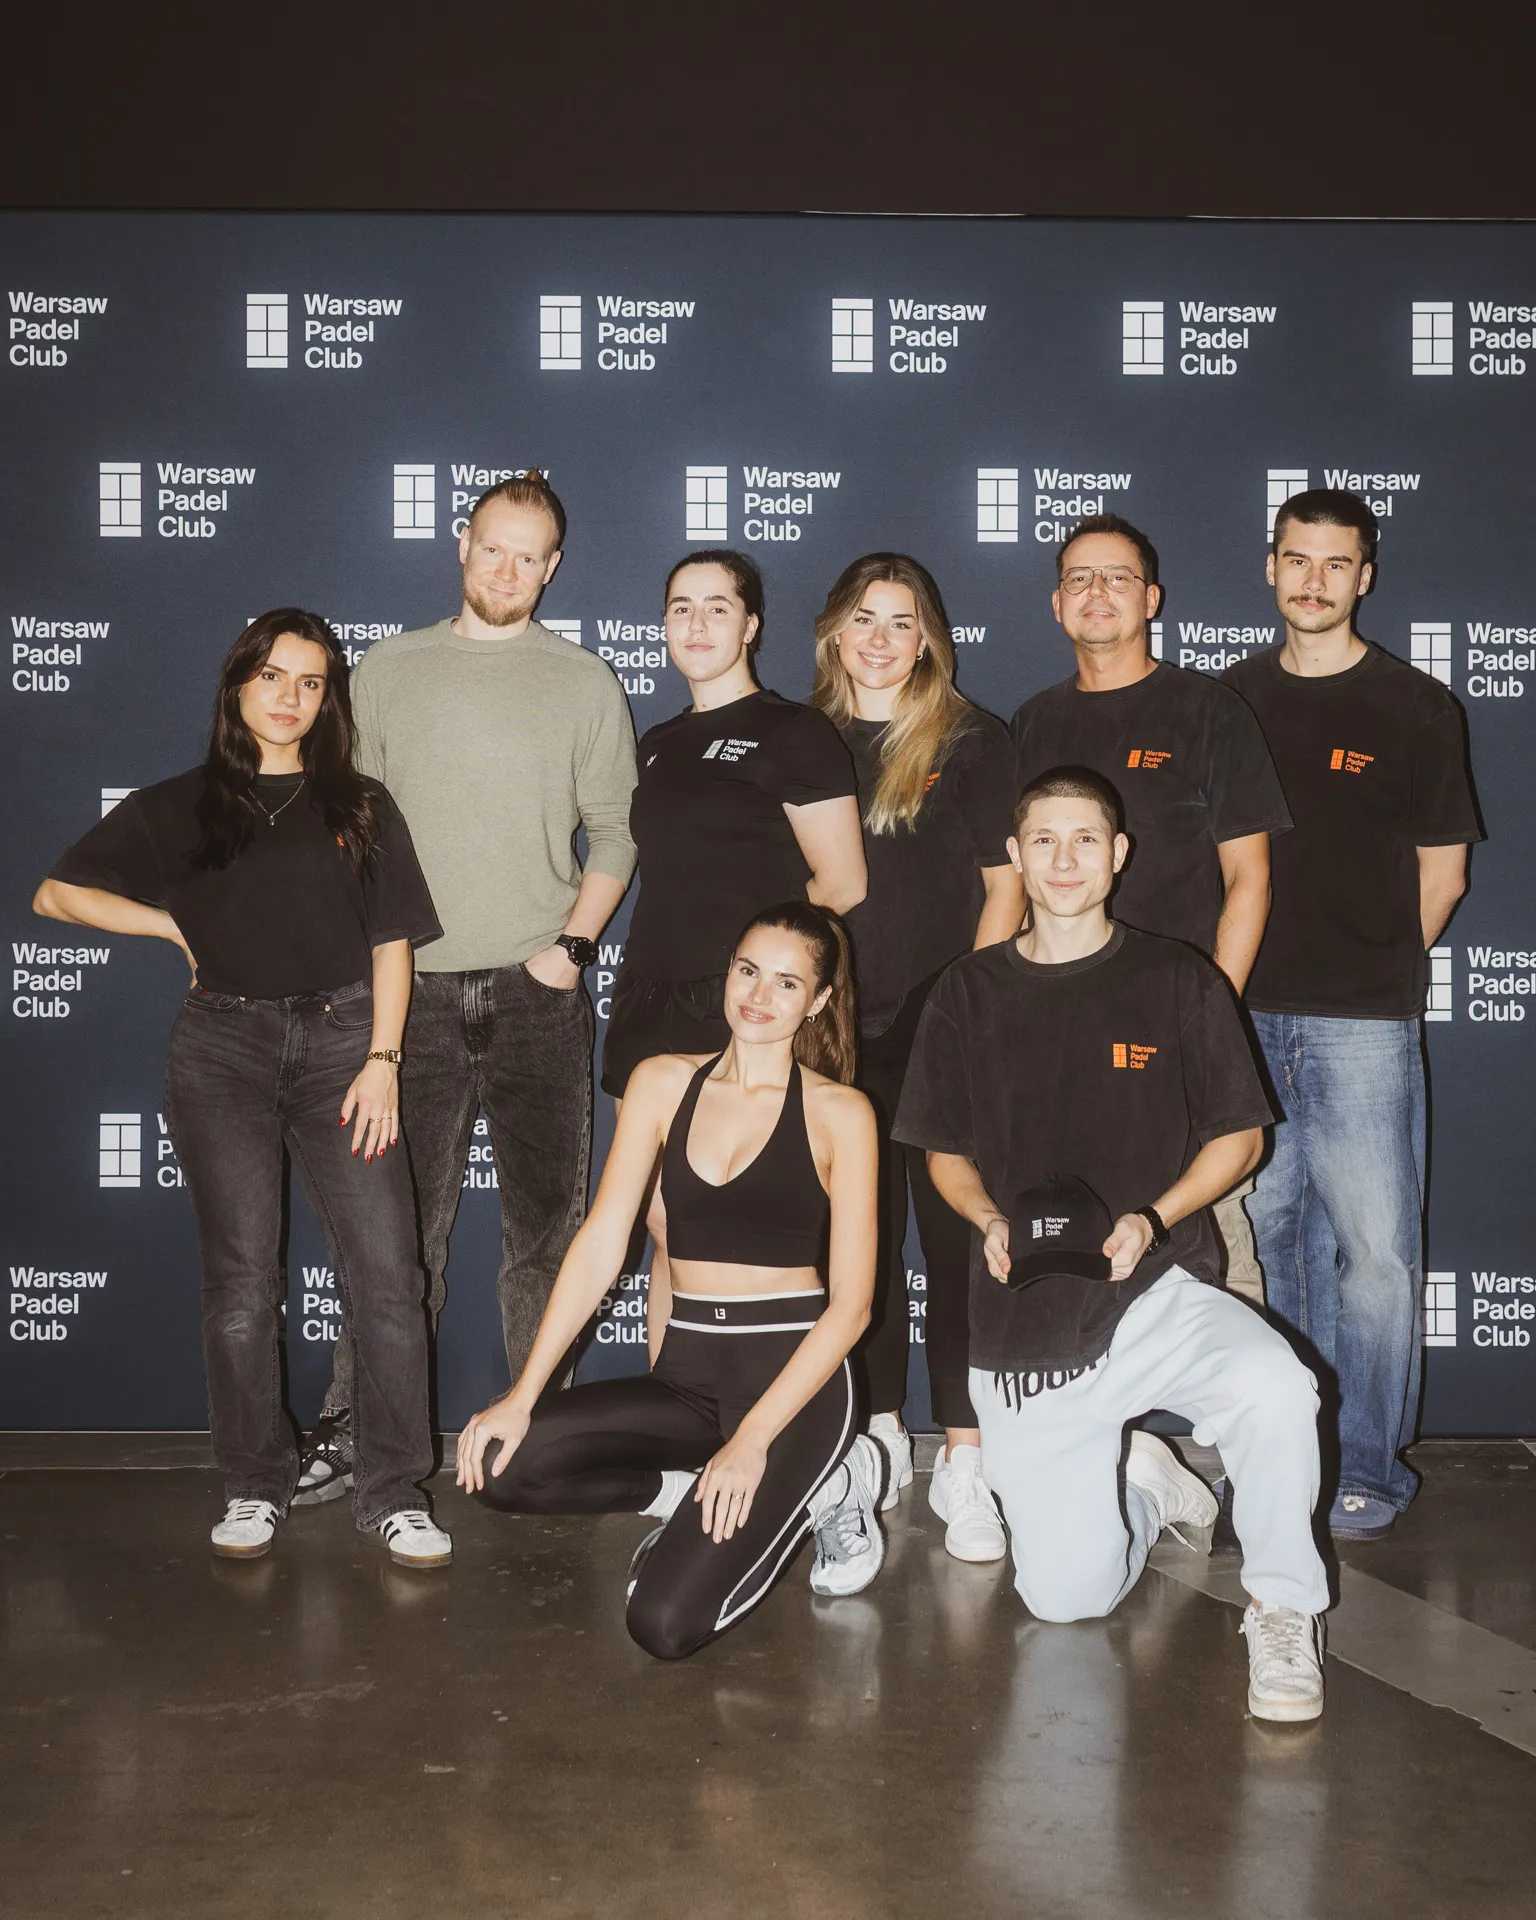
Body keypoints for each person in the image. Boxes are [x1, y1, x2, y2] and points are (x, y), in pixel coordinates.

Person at [895, 767, 1330, 1723]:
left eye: (1085, 839)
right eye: (1042, 839)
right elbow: (944, 1151)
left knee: (1274, 1385)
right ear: (1013, 855)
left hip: (1157, 1291)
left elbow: (1240, 1138)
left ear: (1119, 856)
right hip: (1029, 1330)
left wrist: (1155, 1215)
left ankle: (1285, 1608)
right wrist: (987, 1220)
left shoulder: (1178, 976)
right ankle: (1144, 1484)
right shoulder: (966, 992)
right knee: (1064, 1601)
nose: (1062, 859)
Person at [34, 612, 448, 1565]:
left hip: (348, 1047)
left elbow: (392, 942)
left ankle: (392, 1489)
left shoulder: (360, 803)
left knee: (387, 1279)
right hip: (222, 1049)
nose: (289, 697)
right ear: (235, 687)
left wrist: (384, 1060)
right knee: (240, 1287)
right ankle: (254, 1483)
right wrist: (172, 931)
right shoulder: (177, 804)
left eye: (309, 683)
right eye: (271, 677)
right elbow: (56, 894)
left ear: (326, 698)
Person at [294, 471, 638, 1503]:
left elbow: (616, 833)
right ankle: (357, 1431)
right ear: (462, 543)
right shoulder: (387, 671)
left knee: (547, 1235)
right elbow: (346, 830)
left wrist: (572, 948)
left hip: (541, 999)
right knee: (397, 1242)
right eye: (494, 547)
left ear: (554, 566)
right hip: (413, 1001)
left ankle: (542, 1437)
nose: (509, 569)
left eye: (529, 555)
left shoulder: (583, 681)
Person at [458, 903, 887, 1659]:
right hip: (687, 1377)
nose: (759, 995)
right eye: (748, 970)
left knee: (662, 1627)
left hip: (793, 1391)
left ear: (818, 1000)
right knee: (500, 1465)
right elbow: (601, 1243)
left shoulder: (841, 1113)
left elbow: (851, 1310)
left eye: (787, 983)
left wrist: (751, 1442)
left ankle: (833, 1484)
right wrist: (524, 1394)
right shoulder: (662, 1082)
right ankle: (676, 1494)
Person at [1224, 489, 1480, 1540]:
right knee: (1278, 1241)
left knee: (1374, 1254)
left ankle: (1369, 1467)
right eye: (1298, 560)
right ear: (1270, 568)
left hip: (1363, 1021)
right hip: (1245, 1018)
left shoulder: (1417, 709)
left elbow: (1445, 875)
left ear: (1364, 576)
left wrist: (1366, 971)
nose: (1315, 581)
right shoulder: (1228, 700)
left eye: (1336, 564)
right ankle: (1295, 1460)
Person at [1009, 515, 1291, 1304]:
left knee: (1214, 1235)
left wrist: (1211, 1015)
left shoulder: (1210, 711)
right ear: (1056, 604)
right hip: (1063, 1027)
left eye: (1118, 578)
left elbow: (1250, 879)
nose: (1097, 593)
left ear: (1152, 599)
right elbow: (1018, 884)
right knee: (1078, 1229)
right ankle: (1098, 1422)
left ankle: (1245, 1418)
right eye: (1079, 579)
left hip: (1181, 1024)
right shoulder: (1033, 723)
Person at [810, 552, 1023, 1561]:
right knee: (860, 1249)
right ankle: (880, 1437)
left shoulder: (974, 742)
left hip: (944, 1030)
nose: (883, 639)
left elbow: (1004, 889)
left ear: (930, 636)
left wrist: (968, 1011)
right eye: (865, 619)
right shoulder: (801, 742)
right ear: (833, 634)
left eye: (903, 622)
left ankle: (968, 1462)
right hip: (837, 1032)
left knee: (955, 1245)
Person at [602, 550, 866, 1345]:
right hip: (647, 997)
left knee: (729, 1242)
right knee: (662, 1228)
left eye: (718, 607)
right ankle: (675, 1437)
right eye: (680, 607)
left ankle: (763, 1429)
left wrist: (759, 972)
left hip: (735, 1008)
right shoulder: (657, 742)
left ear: (750, 625)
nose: (697, 623)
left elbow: (843, 882)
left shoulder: (794, 732)